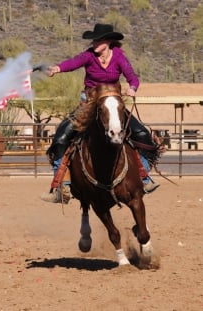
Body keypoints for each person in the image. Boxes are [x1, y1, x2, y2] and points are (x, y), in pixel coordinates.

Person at [40, 23, 160, 204]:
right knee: (62, 136)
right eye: (94, 40)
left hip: (112, 101)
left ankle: (143, 177)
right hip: (90, 102)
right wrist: (57, 68)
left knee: (142, 134)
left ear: (108, 42)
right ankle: (61, 185)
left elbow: (132, 77)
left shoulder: (119, 57)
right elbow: (73, 63)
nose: (94, 43)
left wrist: (133, 88)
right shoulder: (89, 56)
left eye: (98, 40)